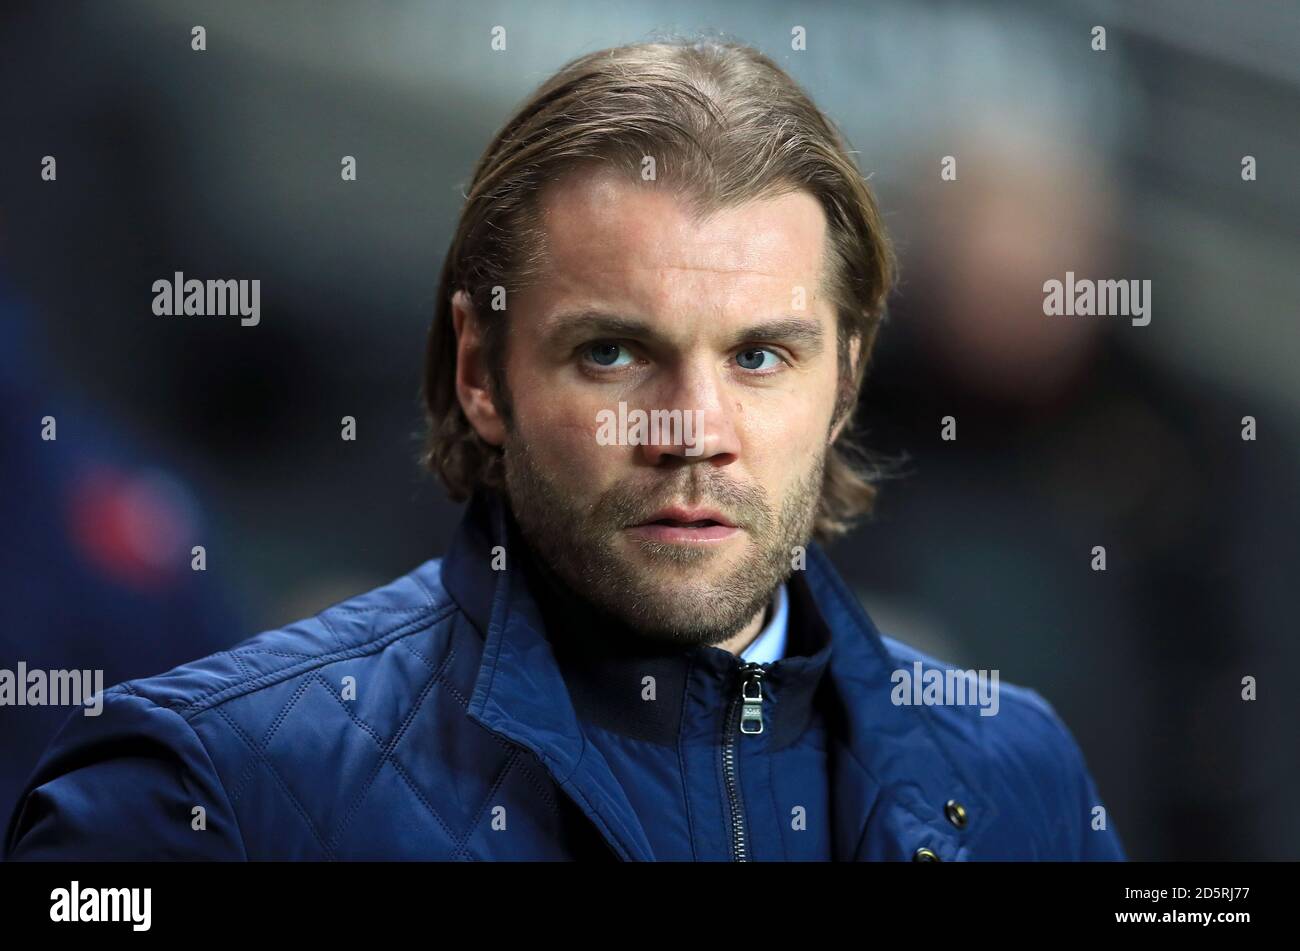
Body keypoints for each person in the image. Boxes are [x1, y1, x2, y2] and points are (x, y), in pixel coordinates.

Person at [5, 38, 1124, 861]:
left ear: (847, 382)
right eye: (613, 354)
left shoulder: (1014, 767)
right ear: (480, 376)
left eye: (761, 358)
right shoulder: (206, 787)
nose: (693, 432)